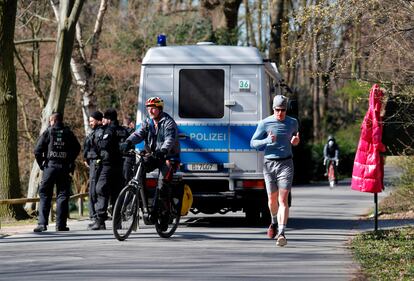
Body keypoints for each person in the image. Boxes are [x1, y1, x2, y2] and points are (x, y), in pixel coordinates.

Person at [121, 97, 180, 228]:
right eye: (148, 108)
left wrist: (164, 150)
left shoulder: (168, 122)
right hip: (153, 155)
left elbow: (170, 139)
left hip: (168, 157)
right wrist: (128, 142)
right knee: (139, 167)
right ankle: (145, 204)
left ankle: (165, 215)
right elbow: (138, 134)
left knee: (162, 185)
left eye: (153, 108)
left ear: (159, 109)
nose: (150, 110)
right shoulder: (147, 122)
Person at [250, 95, 300, 247]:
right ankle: (273, 221)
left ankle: (282, 233)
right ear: (273, 109)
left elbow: (295, 139)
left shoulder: (293, 122)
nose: (280, 113)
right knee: (272, 200)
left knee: (283, 200)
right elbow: (253, 143)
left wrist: (296, 142)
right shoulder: (265, 123)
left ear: (286, 109)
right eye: (277, 110)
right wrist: (266, 141)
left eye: (283, 110)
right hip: (269, 164)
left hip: (286, 163)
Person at [33, 112, 81, 232]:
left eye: (50, 121)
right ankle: (60, 225)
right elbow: (77, 148)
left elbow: (37, 150)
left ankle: (42, 224)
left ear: (53, 121)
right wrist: (69, 160)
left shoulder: (48, 132)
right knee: (62, 195)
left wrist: (42, 164)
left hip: (50, 167)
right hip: (64, 168)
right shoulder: (68, 133)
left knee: (44, 194)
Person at [88, 108, 127, 230]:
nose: (103, 120)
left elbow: (103, 145)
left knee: (101, 189)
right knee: (117, 193)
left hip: (107, 165)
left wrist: (97, 142)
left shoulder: (108, 131)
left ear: (108, 119)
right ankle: (117, 222)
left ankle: (100, 221)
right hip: (120, 165)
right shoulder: (123, 130)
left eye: (104, 118)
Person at [83, 111, 104, 227]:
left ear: (98, 120)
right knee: (92, 191)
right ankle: (95, 218)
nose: (90, 123)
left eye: (92, 121)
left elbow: (98, 149)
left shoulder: (100, 132)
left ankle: (97, 218)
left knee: (94, 191)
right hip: (92, 163)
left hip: (96, 163)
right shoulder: (94, 132)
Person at [122, 115, 136, 185]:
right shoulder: (132, 131)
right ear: (131, 123)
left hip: (119, 157)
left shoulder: (118, 130)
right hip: (129, 157)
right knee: (127, 178)